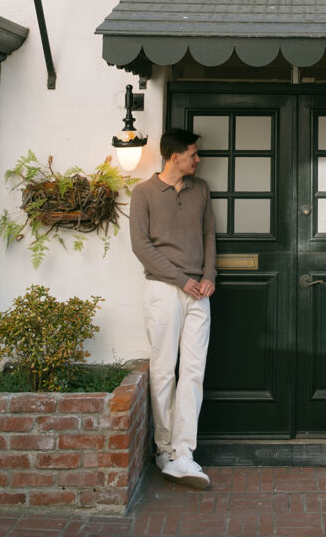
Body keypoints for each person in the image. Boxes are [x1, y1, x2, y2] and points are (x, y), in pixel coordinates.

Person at [129, 127, 216, 490]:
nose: (198, 160)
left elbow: (210, 234)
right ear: (175, 156)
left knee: (193, 371)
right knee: (164, 370)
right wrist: (182, 279)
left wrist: (209, 275)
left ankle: (183, 452)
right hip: (164, 290)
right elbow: (141, 245)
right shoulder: (144, 193)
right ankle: (164, 448)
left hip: (200, 292)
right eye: (193, 154)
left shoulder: (201, 190)